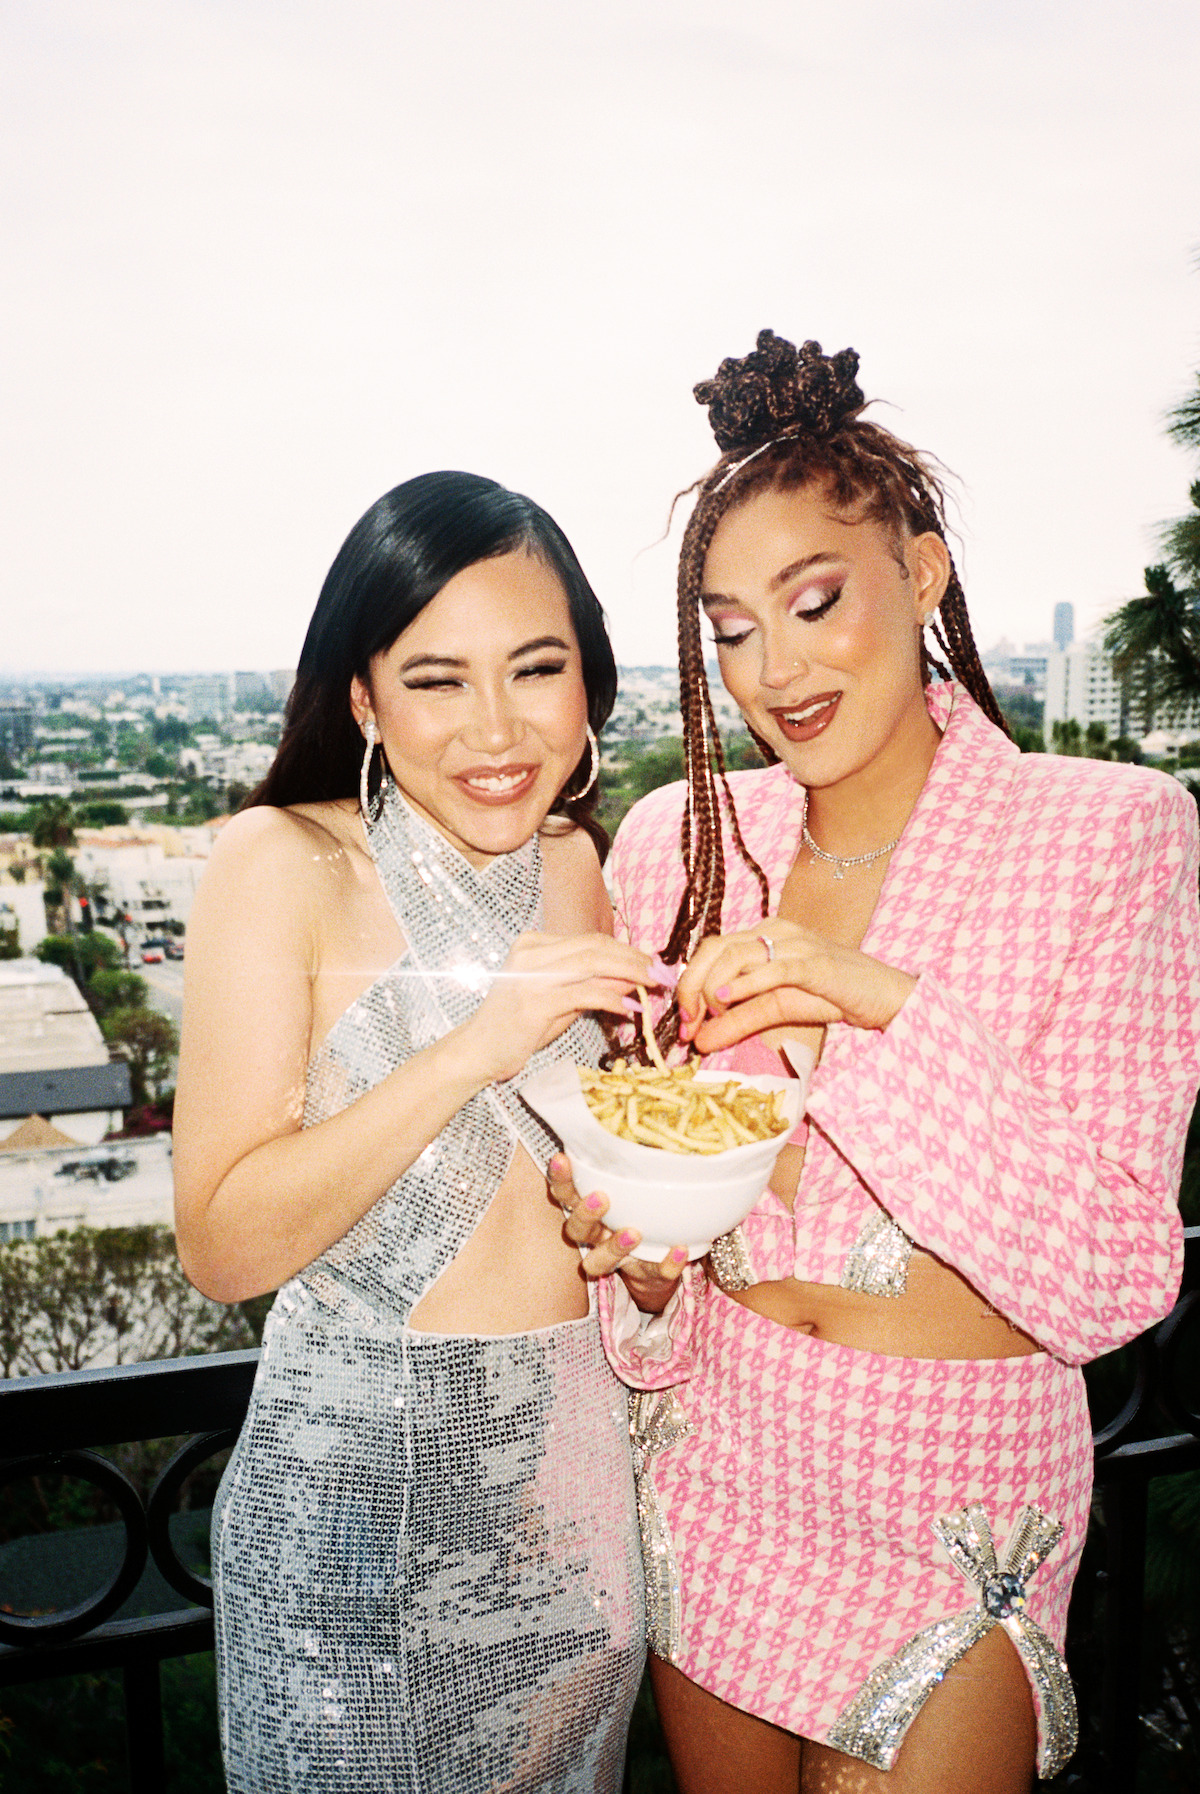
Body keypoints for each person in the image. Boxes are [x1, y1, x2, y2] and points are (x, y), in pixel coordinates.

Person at [556, 333, 1200, 1794]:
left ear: (921, 574)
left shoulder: (1110, 835)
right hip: (721, 1460)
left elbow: (1114, 1274)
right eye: (731, 630)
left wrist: (872, 1003)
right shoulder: (676, 847)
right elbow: (654, 1202)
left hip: (956, 1487)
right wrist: (641, 1274)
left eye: (814, 602)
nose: (774, 670)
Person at [173, 471, 656, 1794]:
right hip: (357, 1542)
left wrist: (637, 1239)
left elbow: (573, 1183)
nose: (496, 728)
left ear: (590, 681)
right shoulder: (281, 862)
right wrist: (474, 1046)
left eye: (537, 669)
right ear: (362, 697)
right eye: (438, 680)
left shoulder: (575, 864)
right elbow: (221, 1244)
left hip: (575, 1517)